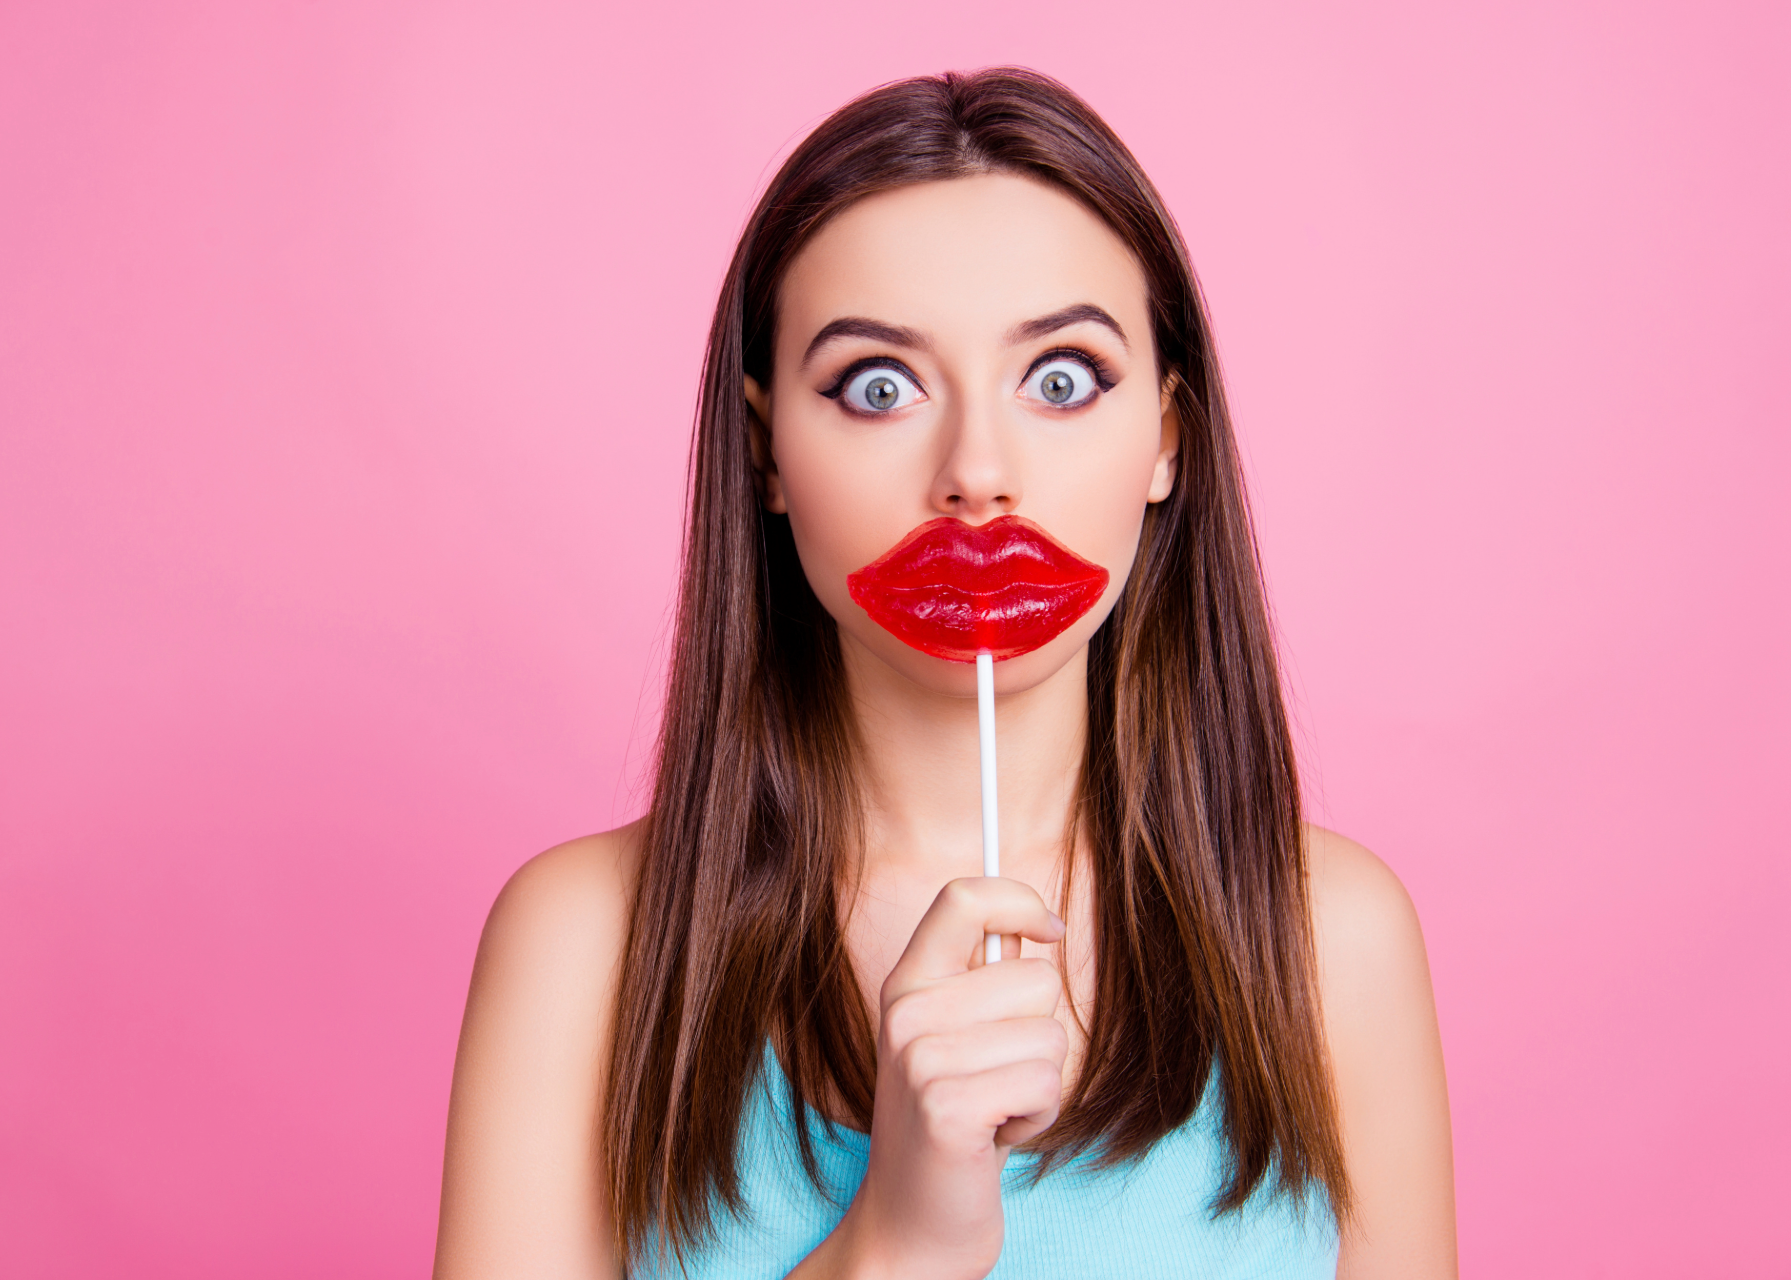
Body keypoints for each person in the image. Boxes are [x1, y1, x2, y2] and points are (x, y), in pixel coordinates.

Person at [433, 68, 1456, 1280]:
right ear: (765, 453)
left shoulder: (1331, 938)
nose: (977, 472)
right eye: (879, 386)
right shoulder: (587, 946)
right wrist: (895, 1242)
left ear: (1168, 441)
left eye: (1062, 378)